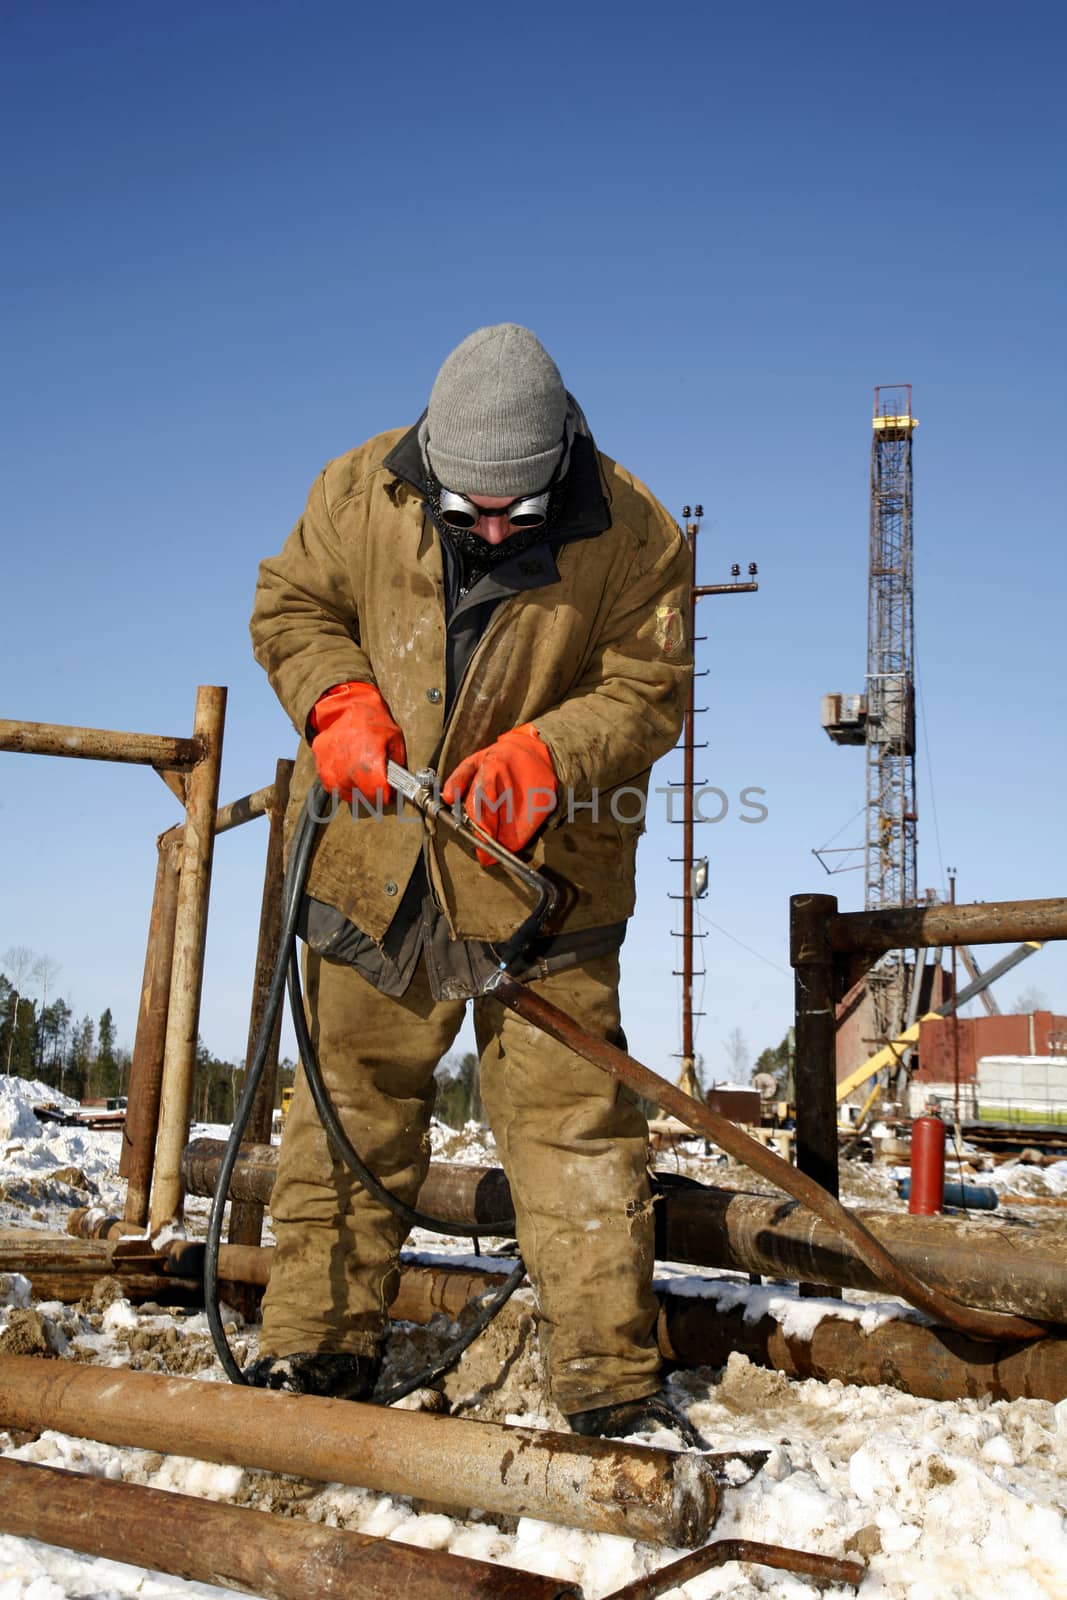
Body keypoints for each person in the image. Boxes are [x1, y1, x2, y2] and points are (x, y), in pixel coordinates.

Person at [247, 324, 693, 1438]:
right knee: (347, 1105)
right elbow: (289, 607)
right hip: (374, 858)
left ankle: (607, 1381)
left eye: (516, 514)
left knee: (570, 1125)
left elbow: (648, 687)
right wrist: (335, 701)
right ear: (429, 458)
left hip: (545, 877)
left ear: (559, 463)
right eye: (468, 513)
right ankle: (313, 1346)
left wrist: (551, 753)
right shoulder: (356, 490)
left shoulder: (634, 531)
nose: (491, 530)